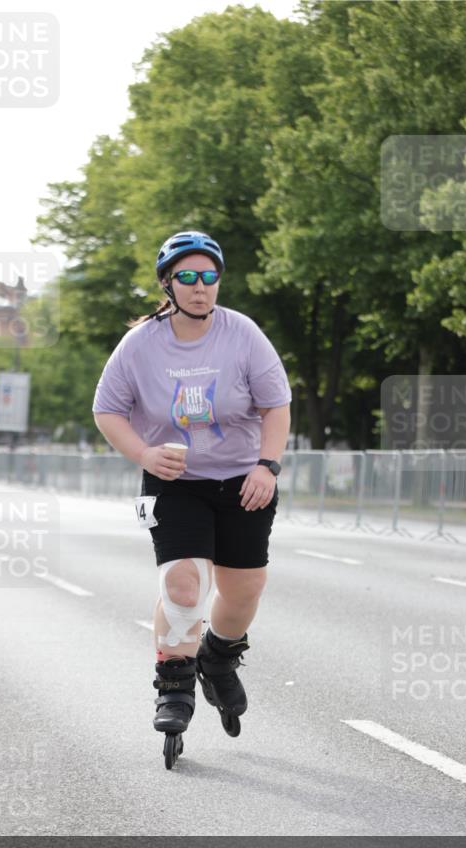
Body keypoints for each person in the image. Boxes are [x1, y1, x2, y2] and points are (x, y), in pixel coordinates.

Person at [92, 230, 292, 766]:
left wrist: (266, 466)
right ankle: (174, 683)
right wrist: (144, 454)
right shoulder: (140, 345)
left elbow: (276, 406)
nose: (201, 288)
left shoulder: (243, 334)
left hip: (242, 481)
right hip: (174, 482)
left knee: (243, 589)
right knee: (183, 583)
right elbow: (107, 409)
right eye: (188, 277)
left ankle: (220, 656)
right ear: (168, 283)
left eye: (210, 277)